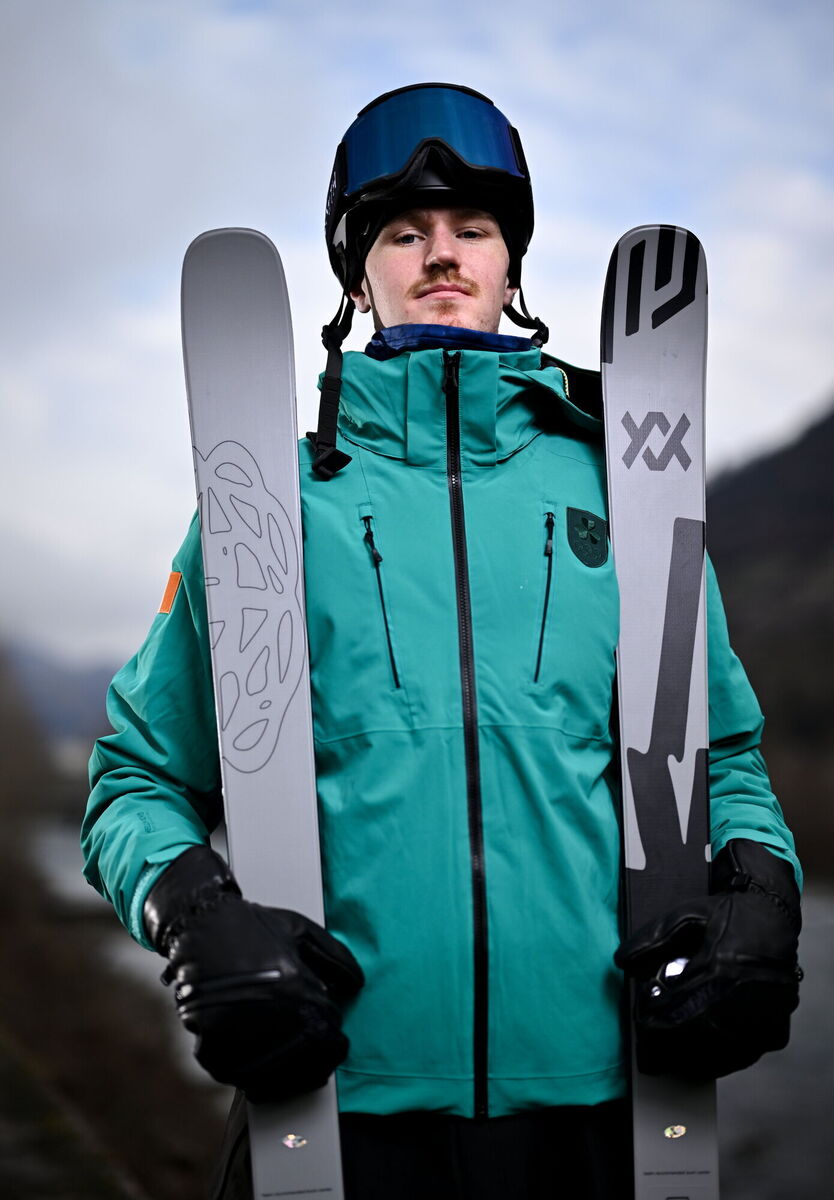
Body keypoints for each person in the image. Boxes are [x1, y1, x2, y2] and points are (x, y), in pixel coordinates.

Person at [83, 83, 802, 1200]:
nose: (442, 253)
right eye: (403, 233)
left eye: (473, 228)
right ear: (358, 274)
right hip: (333, 1108)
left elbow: (730, 759)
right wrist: (193, 914)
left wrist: (760, 888)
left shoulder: (630, 493)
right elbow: (135, 779)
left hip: (597, 1106)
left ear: (511, 263)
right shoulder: (269, 503)